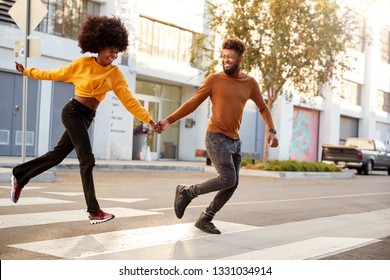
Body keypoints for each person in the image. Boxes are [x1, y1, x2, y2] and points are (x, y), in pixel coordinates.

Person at [10, 15, 160, 224]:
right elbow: (54, 74)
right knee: (87, 159)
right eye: (111, 51)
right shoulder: (82, 64)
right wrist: (27, 71)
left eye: (117, 52)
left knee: (56, 156)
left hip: (87, 117)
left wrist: (150, 120)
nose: (113, 56)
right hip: (73, 112)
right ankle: (93, 210)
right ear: (99, 46)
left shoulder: (115, 74)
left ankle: (20, 175)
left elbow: (129, 100)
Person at [156, 37, 279, 234]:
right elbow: (193, 103)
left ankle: (205, 218)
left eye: (231, 56)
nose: (226, 60)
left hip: (235, 141)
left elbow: (263, 107)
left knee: (233, 183)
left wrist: (271, 130)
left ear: (240, 58)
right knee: (228, 178)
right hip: (216, 137)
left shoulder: (250, 82)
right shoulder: (214, 79)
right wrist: (169, 120)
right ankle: (187, 192)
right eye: (224, 56)